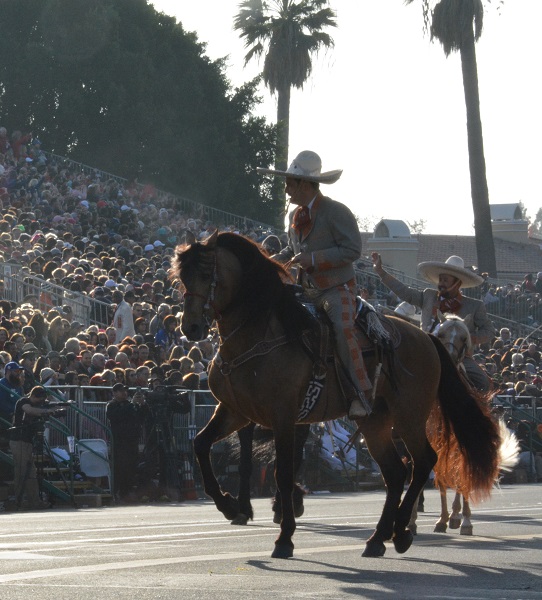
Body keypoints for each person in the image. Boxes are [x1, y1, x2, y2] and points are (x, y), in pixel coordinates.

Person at [258, 150, 371, 417]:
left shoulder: (336, 211)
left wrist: (314, 259)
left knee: (343, 329)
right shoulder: (293, 217)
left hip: (336, 289)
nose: (286, 189)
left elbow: (353, 250)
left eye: (289, 183)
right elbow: (290, 250)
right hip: (305, 291)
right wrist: (268, 263)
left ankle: (360, 395)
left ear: (305, 184)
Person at [372, 253, 495, 391]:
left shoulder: (474, 306)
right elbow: (404, 292)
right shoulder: (428, 296)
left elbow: (489, 331)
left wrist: (468, 338)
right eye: (440, 279)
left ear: (457, 283)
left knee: (482, 382)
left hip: (460, 357)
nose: (441, 283)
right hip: (426, 351)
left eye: (445, 280)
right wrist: (381, 272)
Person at [9, 386, 59, 509]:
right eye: (39, 399)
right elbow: (30, 410)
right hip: (19, 440)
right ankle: (19, 501)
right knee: (21, 471)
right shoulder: (23, 401)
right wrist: (47, 411)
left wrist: (54, 408)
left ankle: (34, 501)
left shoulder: (38, 405)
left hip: (28, 441)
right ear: (34, 396)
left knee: (31, 473)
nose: (41, 402)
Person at [106, 383, 147, 502]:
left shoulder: (130, 405)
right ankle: (119, 492)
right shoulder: (111, 405)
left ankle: (128, 491)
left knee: (132, 467)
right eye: (120, 391)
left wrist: (143, 404)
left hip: (132, 441)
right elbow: (116, 416)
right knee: (120, 468)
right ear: (114, 393)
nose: (124, 393)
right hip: (119, 441)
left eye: (125, 390)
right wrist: (133, 404)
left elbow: (143, 416)